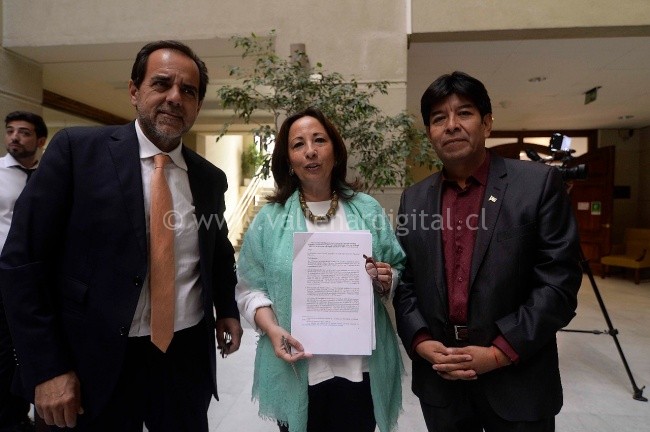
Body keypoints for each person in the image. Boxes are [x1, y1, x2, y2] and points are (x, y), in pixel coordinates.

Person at [0, 40, 242, 432]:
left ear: (197, 105)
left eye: (188, 90)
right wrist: (46, 367)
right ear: (134, 91)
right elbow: (22, 262)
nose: (174, 97)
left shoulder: (209, 178)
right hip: (90, 361)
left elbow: (217, 251)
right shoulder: (77, 153)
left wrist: (227, 308)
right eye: (161, 83)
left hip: (183, 359)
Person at [393, 71, 583, 432]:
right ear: (429, 132)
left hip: (518, 380)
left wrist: (499, 352)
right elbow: (406, 281)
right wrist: (420, 340)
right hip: (441, 378)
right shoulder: (414, 199)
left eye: (464, 113)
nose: (451, 125)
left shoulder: (537, 184)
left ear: (487, 123)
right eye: (438, 118)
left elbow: (559, 282)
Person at [236, 107, 405, 432]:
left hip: (360, 369)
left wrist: (386, 278)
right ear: (288, 159)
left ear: (335, 151)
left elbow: (396, 267)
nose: (310, 151)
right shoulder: (270, 218)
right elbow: (250, 288)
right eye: (298, 144)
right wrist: (272, 329)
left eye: (319, 140)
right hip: (296, 367)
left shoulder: (366, 209)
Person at [1, 111, 47, 432]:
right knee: (5, 349)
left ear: (40, 140)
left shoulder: (50, 177)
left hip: (40, 276)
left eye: (24, 132)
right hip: (3, 275)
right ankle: (10, 417)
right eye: (10, 131)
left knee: (35, 343)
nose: (15, 137)